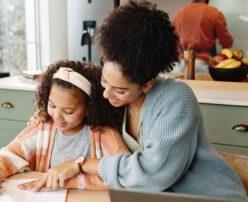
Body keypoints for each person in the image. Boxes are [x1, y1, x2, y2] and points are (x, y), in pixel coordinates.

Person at [21, 1, 247, 200]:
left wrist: (80, 163)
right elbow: (76, 113)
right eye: (104, 82)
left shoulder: (177, 98)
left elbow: (154, 174)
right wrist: (46, 115)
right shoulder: (113, 99)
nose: (107, 95)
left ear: (147, 84)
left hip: (206, 196)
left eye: (119, 90)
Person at [0, 60, 130, 197]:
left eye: (68, 111)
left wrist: (65, 181)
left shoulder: (103, 133)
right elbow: (9, 154)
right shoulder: (43, 127)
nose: (57, 117)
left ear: (89, 108)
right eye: (52, 105)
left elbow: (126, 174)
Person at [173, 0, 233, 73]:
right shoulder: (213, 13)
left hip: (184, 64)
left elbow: (174, 42)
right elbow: (227, 43)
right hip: (205, 64)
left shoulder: (179, 14)